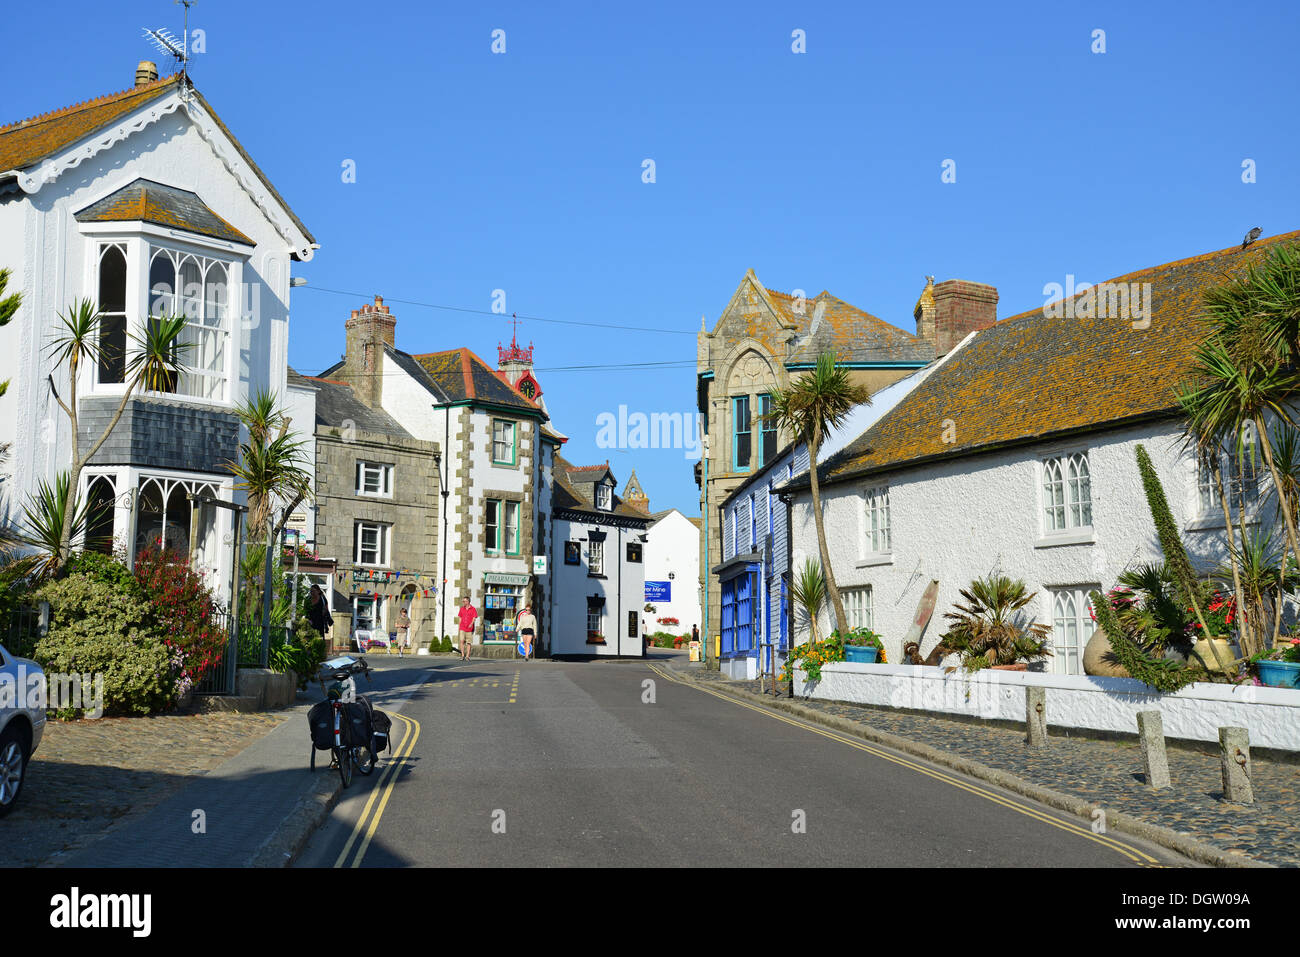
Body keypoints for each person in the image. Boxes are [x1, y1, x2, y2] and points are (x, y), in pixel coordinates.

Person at [456, 596, 478, 661]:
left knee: (468, 642)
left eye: (464, 601)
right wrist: (459, 625)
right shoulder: (462, 609)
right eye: (463, 601)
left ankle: (467, 656)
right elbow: (460, 617)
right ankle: (462, 655)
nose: (463, 602)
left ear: (468, 601)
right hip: (462, 627)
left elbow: (474, 617)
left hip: (469, 628)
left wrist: (471, 624)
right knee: (462, 641)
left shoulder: (473, 609)